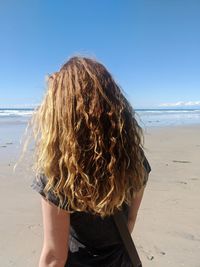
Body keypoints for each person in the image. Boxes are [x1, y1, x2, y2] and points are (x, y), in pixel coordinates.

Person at [30, 56, 151, 267]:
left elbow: (54, 256)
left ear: (62, 114)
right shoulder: (135, 159)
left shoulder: (59, 170)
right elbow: (130, 221)